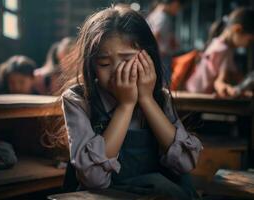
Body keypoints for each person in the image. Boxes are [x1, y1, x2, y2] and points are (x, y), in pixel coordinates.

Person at [56, 5, 202, 200]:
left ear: (148, 58)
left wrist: (146, 100)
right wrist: (126, 106)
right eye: (104, 63)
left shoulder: (160, 97)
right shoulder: (78, 100)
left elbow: (184, 163)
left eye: (127, 60)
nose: (118, 72)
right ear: (91, 65)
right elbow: (94, 179)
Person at [185, 7, 254, 98]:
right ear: (237, 29)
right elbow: (219, 82)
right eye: (249, 40)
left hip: (192, 91)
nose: (248, 45)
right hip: (197, 98)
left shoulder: (217, 43)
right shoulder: (222, 50)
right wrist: (231, 89)